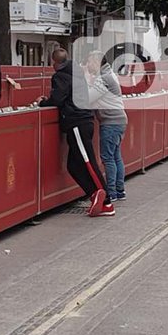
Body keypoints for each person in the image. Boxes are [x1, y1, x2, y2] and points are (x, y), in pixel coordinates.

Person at [41, 48, 112, 217]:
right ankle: (95, 193)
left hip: (76, 122)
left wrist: (42, 103)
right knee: (73, 165)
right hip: (84, 119)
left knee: (88, 162)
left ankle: (106, 201)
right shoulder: (78, 73)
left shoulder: (60, 77)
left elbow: (57, 99)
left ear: (54, 62)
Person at [87, 51, 127, 203]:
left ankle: (111, 193)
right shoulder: (109, 74)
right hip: (118, 120)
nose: (87, 65)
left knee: (108, 158)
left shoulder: (103, 78)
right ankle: (119, 189)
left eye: (90, 62)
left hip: (110, 122)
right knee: (116, 157)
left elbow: (89, 98)